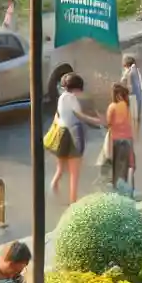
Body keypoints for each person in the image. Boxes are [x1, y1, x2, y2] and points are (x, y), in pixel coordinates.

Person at [50, 73, 102, 204]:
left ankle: (53, 193)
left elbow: (58, 116)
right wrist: (98, 121)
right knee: (74, 173)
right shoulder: (72, 99)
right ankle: (73, 204)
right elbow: (81, 116)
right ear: (76, 88)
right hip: (73, 136)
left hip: (60, 135)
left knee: (60, 169)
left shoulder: (61, 97)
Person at [121, 54, 142, 130]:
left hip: (133, 98)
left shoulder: (129, 72)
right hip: (139, 97)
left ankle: (133, 135)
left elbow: (125, 84)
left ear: (126, 65)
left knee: (132, 120)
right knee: (136, 119)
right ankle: (136, 133)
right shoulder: (136, 71)